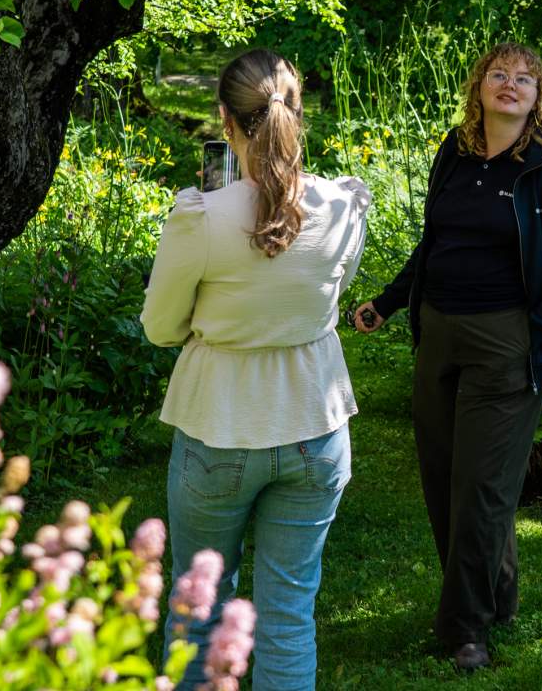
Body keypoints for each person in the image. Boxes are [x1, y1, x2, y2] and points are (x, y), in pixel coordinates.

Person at [351, 42, 542, 673]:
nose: (509, 85)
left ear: (538, 96)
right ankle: (499, 596)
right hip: (437, 331)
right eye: (498, 74)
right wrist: (390, 302)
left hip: (505, 343)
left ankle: (465, 629)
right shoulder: (454, 154)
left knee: (483, 489)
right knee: (442, 478)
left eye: (523, 78)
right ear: (479, 87)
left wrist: (534, 327)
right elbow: (434, 242)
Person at [141, 49, 371, 691]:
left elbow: (161, 328)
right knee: (288, 615)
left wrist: (217, 322)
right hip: (316, 426)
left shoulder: (202, 219)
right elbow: (324, 301)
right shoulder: (345, 206)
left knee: (200, 614)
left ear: (226, 119)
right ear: (299, 115)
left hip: (220, 425)